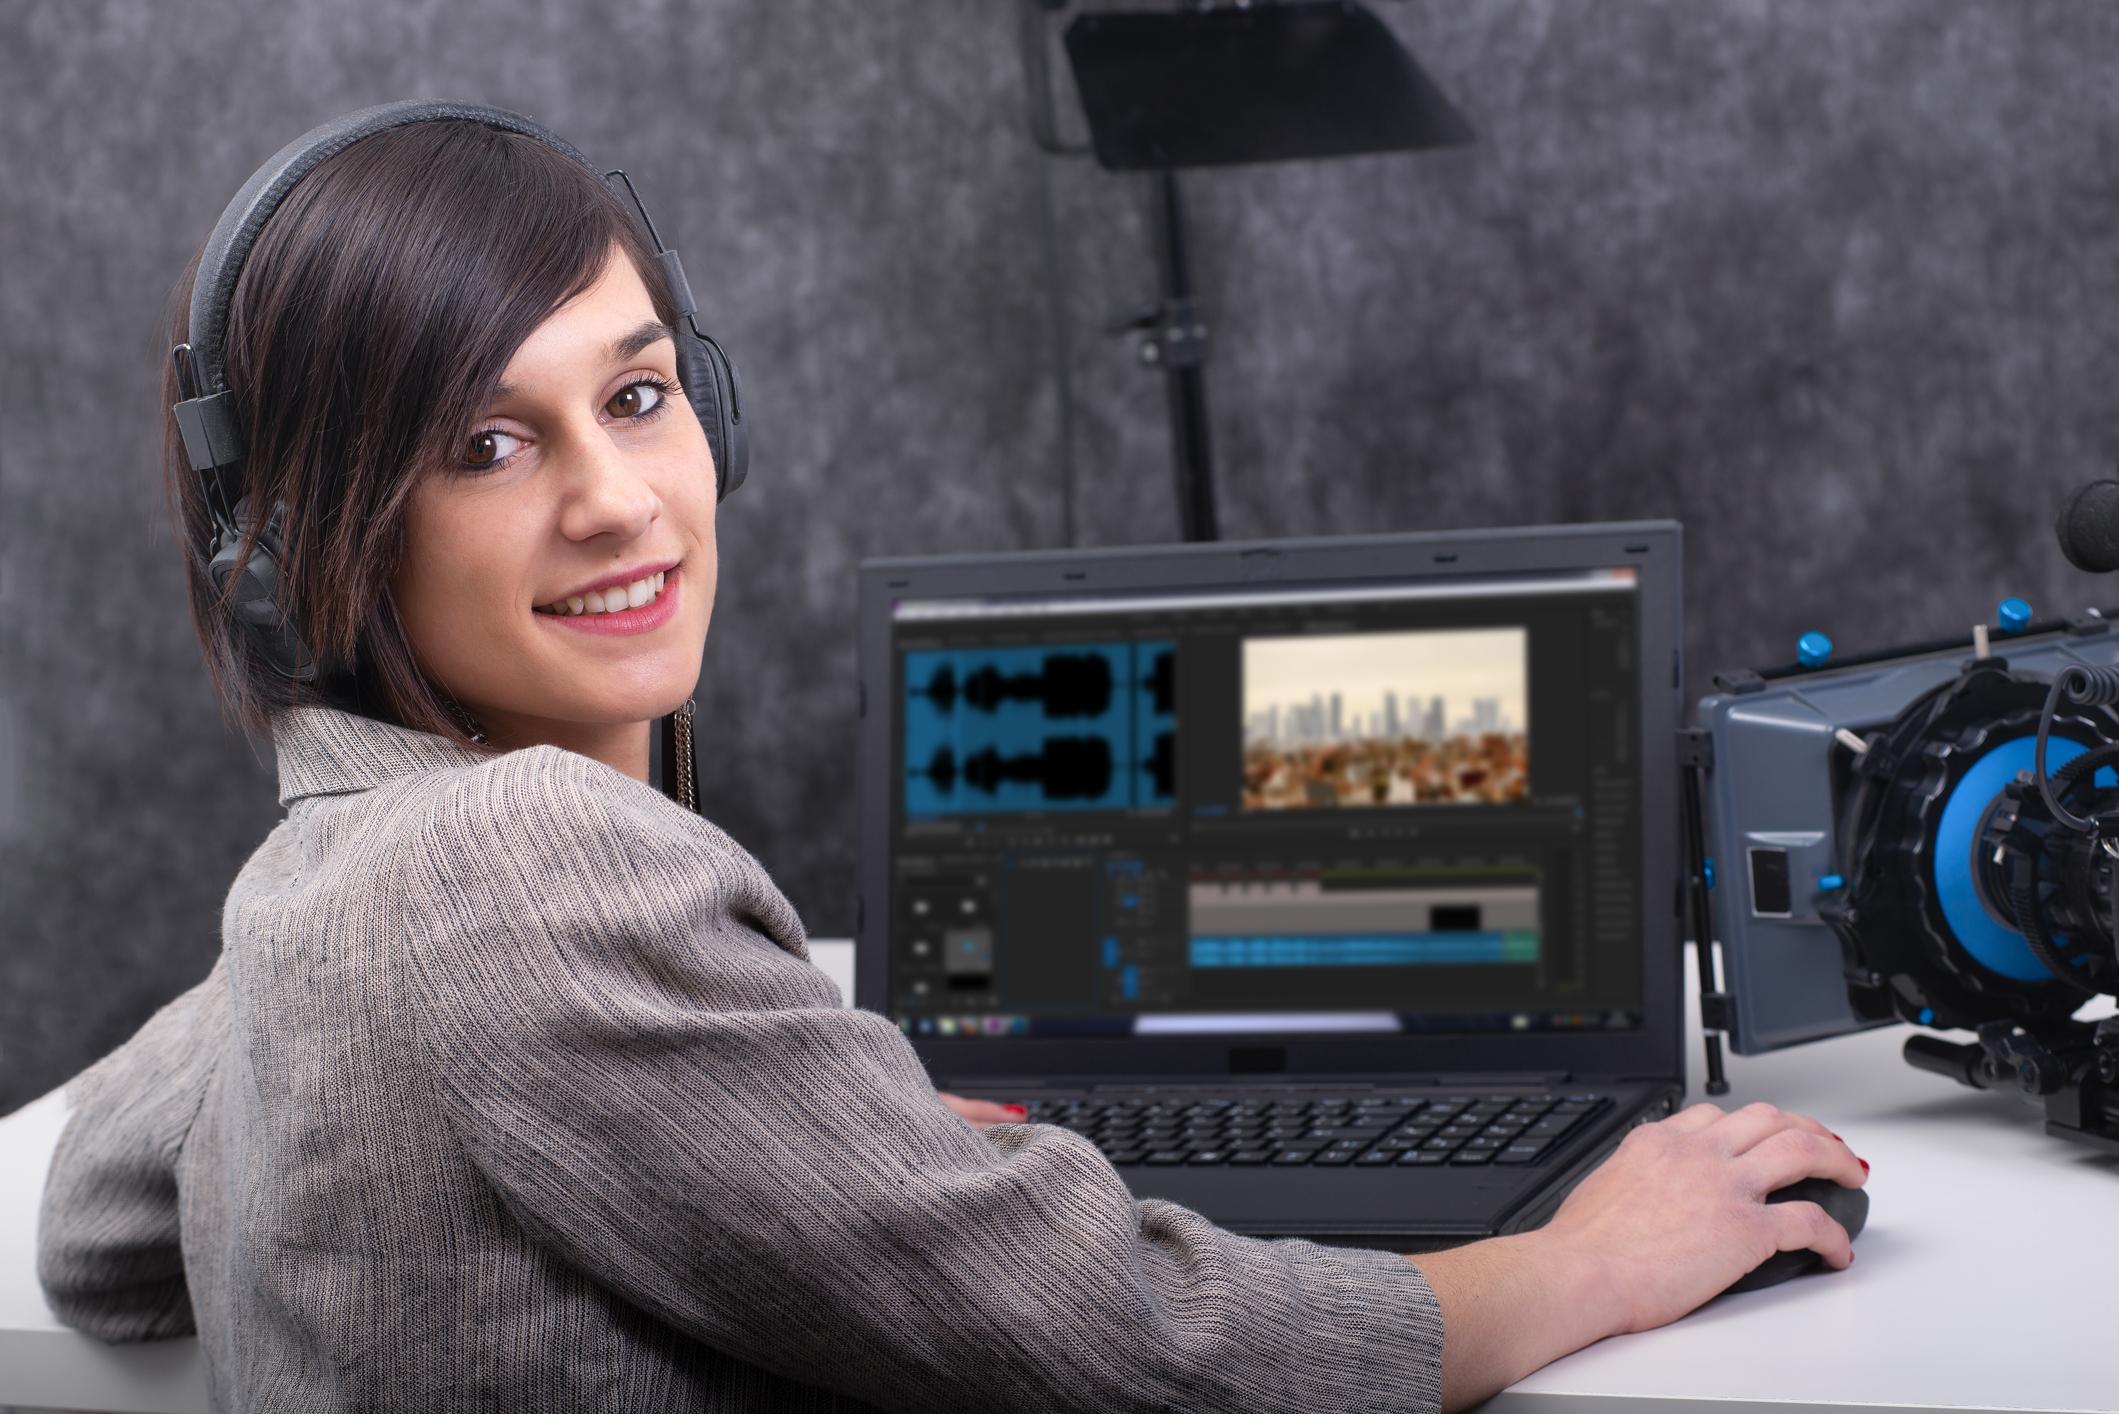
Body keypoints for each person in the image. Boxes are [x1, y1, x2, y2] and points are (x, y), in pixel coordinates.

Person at [37, 108, 1867, 1413]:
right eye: (488, 445)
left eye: (639, 394)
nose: (618, 501)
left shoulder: (329, 879)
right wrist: (1592, 1256)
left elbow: (89, 1233)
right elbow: (1135, 1347)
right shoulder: (513, 860)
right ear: (301, 538)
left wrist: (815, 1134)